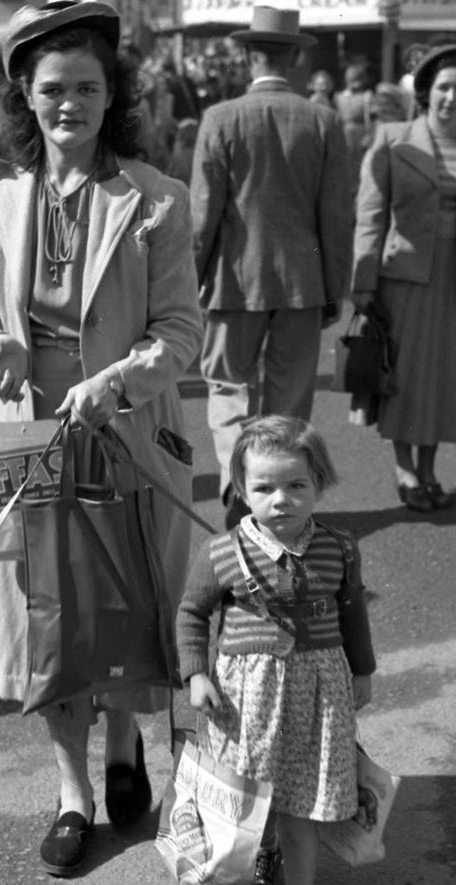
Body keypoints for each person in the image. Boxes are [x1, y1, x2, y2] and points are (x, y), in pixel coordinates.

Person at [0, 0, 203, 876]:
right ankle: (71, 796)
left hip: (124, 431)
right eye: (53, 88)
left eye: (88, 88)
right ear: (23, 90)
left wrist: (116, 380)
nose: (70, 105)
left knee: (125, 603)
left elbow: (180, 333)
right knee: (45, 619)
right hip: (27, 443)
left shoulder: (156, 198)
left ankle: (126, 749)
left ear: (111, 94)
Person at [176, 415, 376, 885]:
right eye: (263, 488)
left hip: (318, 698)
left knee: (301, 808)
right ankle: (262, 854)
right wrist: (195, 674)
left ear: (320, 484)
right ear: (241, 490)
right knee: (252, 797)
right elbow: (192, 613)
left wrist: (363, 671)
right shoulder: (221, 552)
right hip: (247, 702)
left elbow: (352, 614)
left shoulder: (340, 548)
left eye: (296, 486)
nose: (280, 500)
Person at [189, 5, 351, 529]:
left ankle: (241, 483)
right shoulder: (323, 120)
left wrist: (187, 283)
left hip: (233, 280)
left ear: (245, 54)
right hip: (303, 282)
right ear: (298, 55)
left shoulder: (220, 118)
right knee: (288, 400)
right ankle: (279, 497)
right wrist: (334, 290)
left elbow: (202, 216)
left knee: (228, 387)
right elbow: (336, 216)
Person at [351, 44, 456, 512]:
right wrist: (362, 280)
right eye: (444, 87)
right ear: (426, 92)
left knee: (443, 376)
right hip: (407, 275)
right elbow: (370, 214)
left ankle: (431, 467)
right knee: (405, 374)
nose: (452, 98)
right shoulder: (394, 138)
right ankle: (404, 468)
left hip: (455, 278)